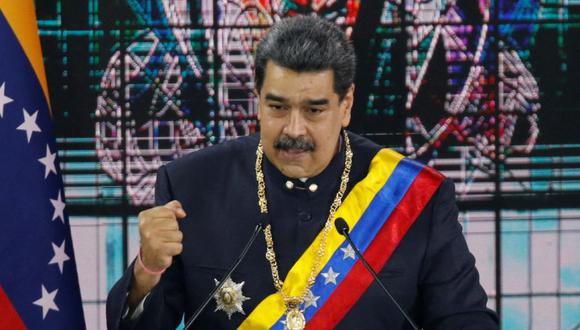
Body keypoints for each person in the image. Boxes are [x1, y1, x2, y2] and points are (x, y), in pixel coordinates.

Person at [106, 15, 498, 329]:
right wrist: (147, 269)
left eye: (314, 110)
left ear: (346, 106)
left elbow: (463, 319)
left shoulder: (412, 198)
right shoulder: (190, 186)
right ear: (257, 100)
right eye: (277, 107)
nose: (294, 129)